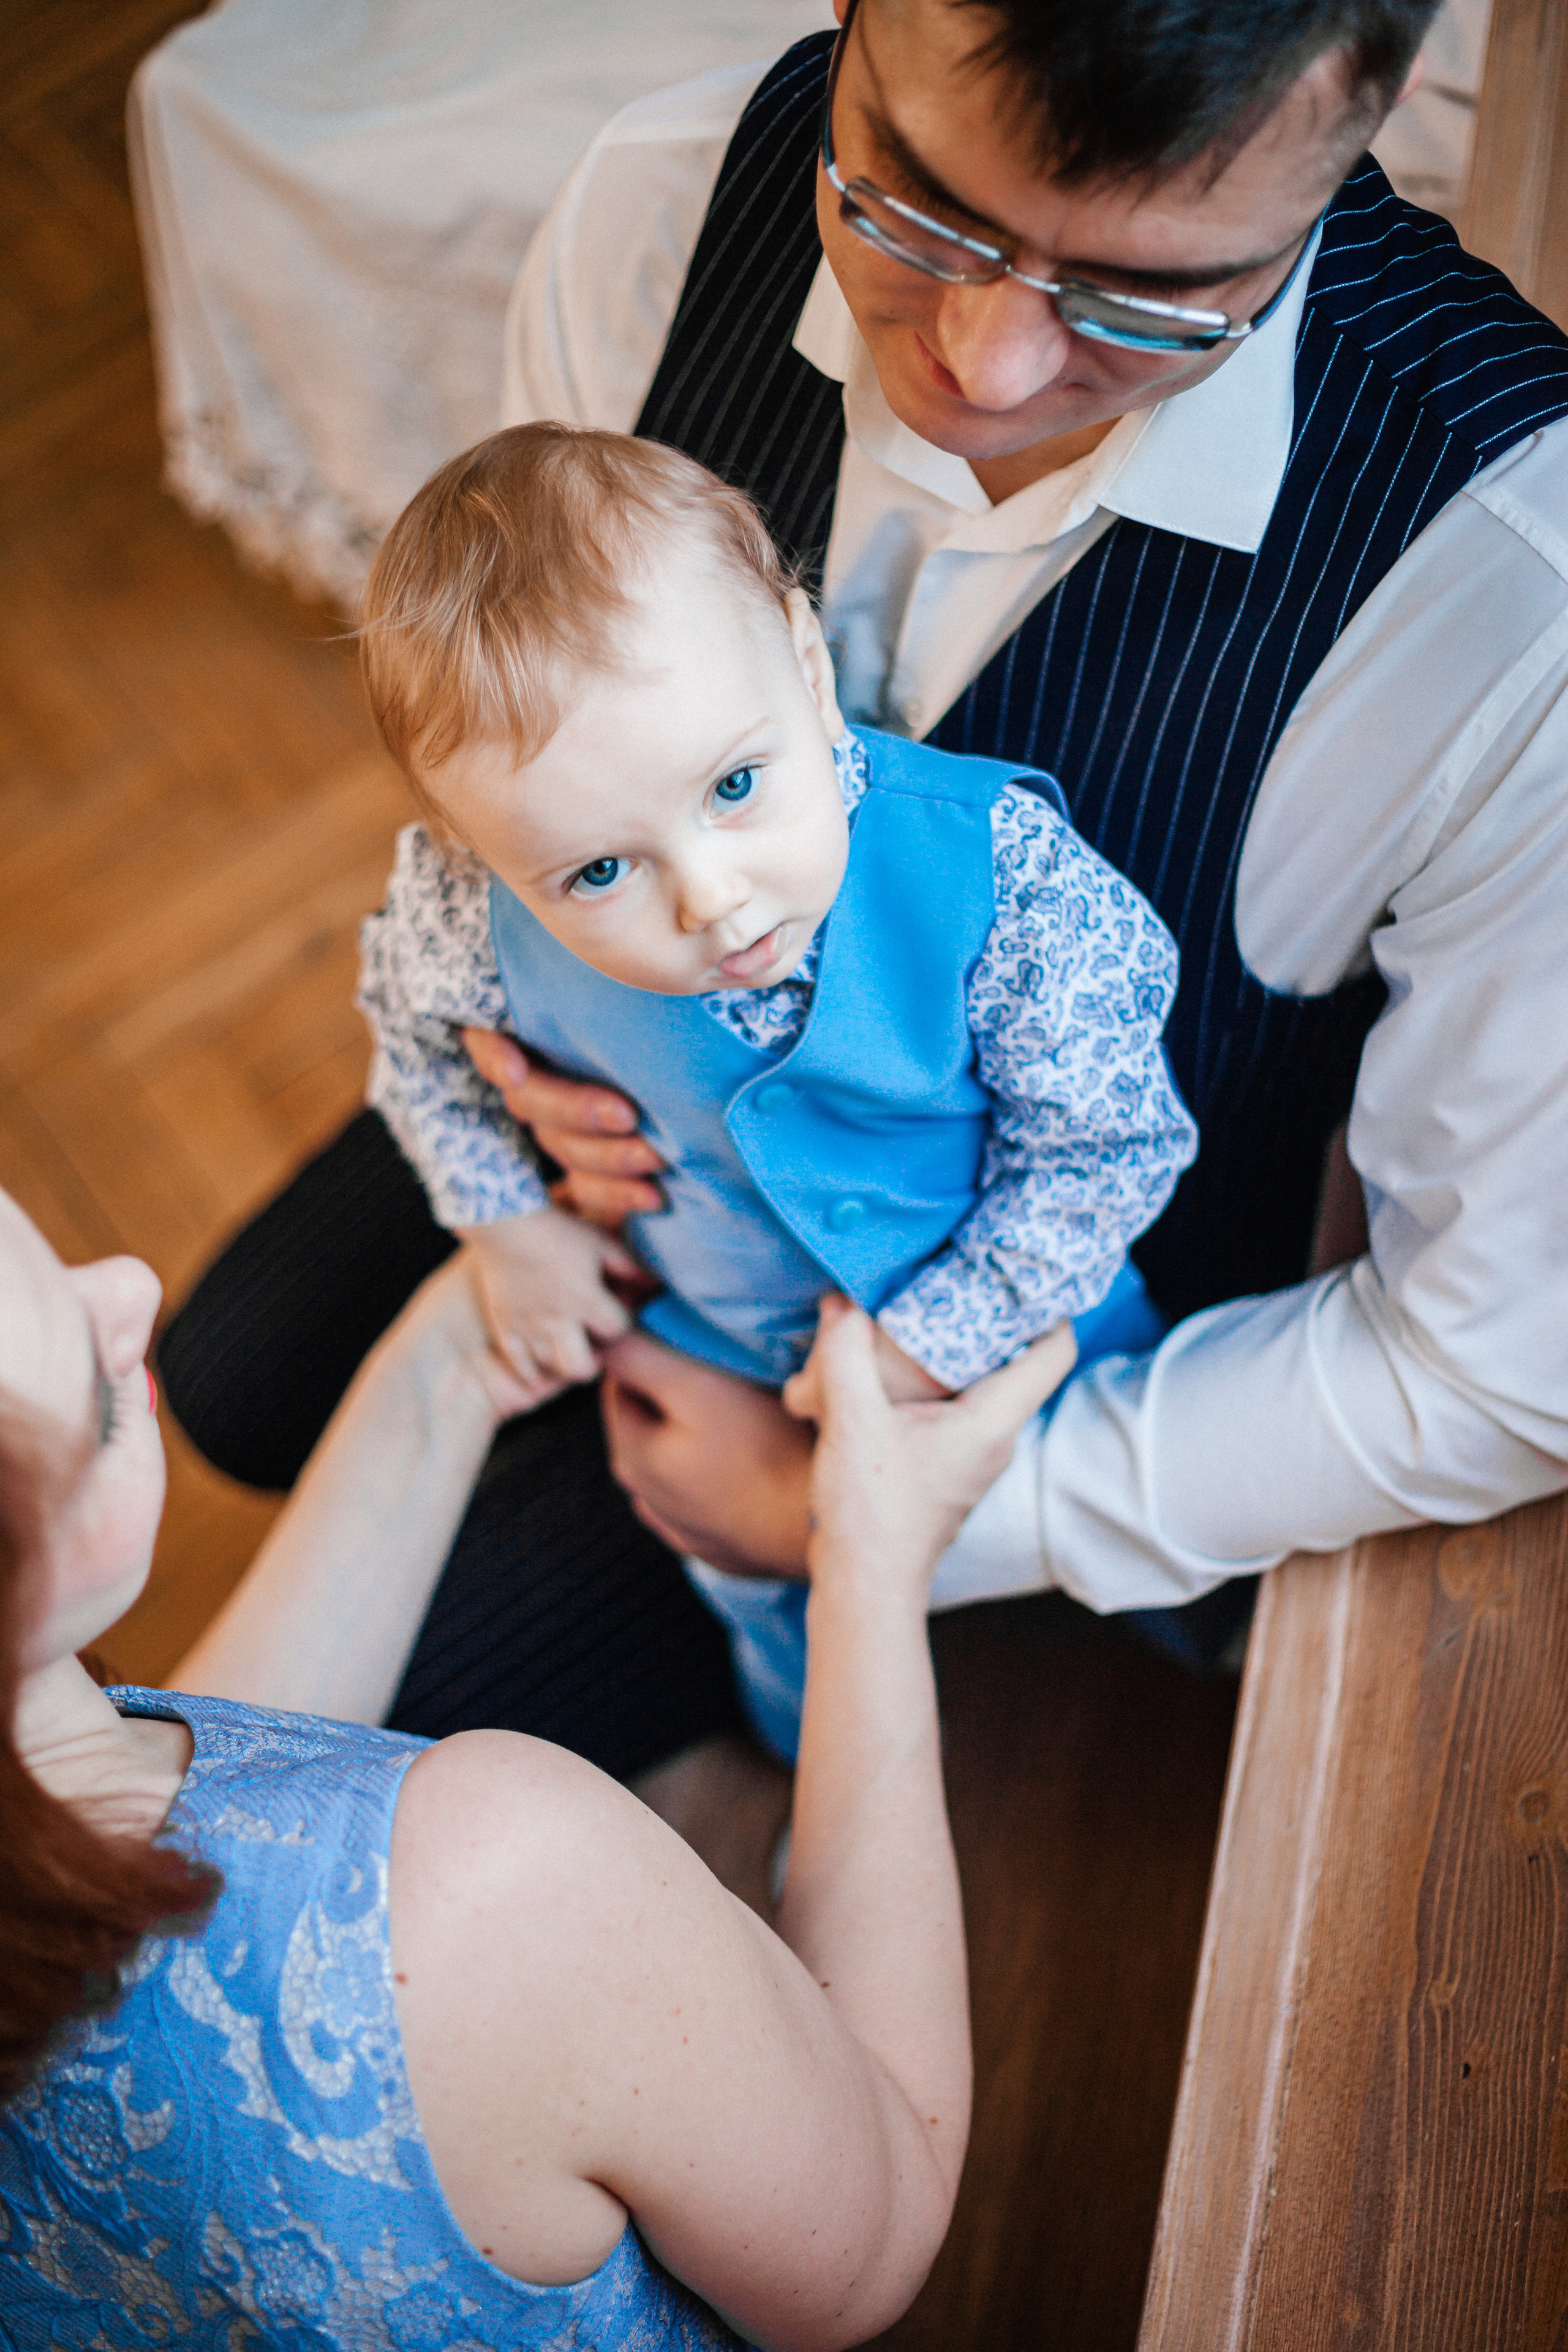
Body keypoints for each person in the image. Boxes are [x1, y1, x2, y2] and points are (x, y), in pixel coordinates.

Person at [159, 0, 1568, 1765]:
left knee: (402, 1740)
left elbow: (1498, 1365)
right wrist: (511, 1111)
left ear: (1379, 102)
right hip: (632, 1123)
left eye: (1145, 297)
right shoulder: (667, 203)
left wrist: (880, 1511)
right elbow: (519, 747)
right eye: (915, 205)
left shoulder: (1518, 586)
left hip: (956, 1325)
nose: (980, 366)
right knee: (230, 1381)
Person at [0, 1183, 1074, 2346]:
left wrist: (463, 1345)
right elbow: (878, 2239)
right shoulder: (504, 1882)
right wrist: (868, 1553)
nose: (128, 1286)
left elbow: (207, 1797)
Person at [355, 420, 1193, 1751]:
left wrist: (930, 1344)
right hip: (720, 1338)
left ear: (805, 665)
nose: (710, 897)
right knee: (745, 1579)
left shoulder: (1006, 885)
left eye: (735, 786)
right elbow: (406, 1040)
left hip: (1018, 1318)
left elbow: (1107, 1149)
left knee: (1160, 1523)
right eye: (596, 873)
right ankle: (816, 1775)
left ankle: (1202, 1654)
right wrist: (506, 1222)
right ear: (481, 856)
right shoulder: (467, 911)